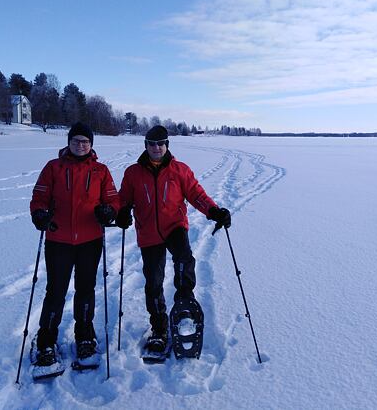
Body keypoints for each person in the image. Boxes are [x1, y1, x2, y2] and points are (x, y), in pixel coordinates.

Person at [116, 125, 231, 353]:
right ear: (146, 145)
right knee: (154, 280)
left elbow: (196, 194)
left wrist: (214, 211)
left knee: (184, 261)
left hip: (175, 227)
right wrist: (121, 211)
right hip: (148, 232)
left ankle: (184, 307)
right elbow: (123, 199)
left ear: (167, 145)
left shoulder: (180, 170)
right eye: (152, 143)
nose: (156, 148)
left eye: (161, 143)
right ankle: (158, 328)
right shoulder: (133, 173)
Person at [29, 121, 120, 368]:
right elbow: (39, 197)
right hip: (58, 240)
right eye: (76, 141)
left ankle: (85, 336)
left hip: (90, 241)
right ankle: (46, 340)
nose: (80, 145)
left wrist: (108, 211)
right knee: (56, 291)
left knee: (85, 289)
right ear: (69, 142)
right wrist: (39, 213)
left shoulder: (101, 171)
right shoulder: (53, 167)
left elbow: (113, 199)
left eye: (85, 142)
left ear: (91, 145)